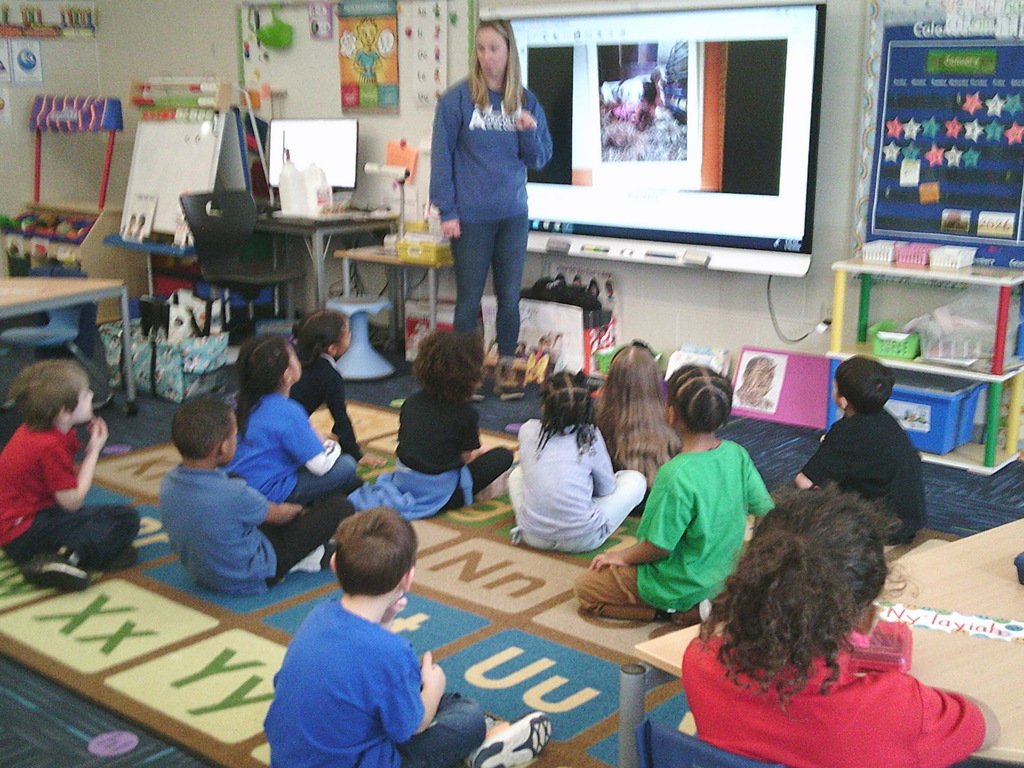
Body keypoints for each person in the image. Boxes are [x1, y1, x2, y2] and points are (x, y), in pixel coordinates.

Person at [683, 485, 999, 768]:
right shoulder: (896, 710)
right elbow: (987, 725)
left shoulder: (699, 659)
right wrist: (926, 700)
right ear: (865, 619)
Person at [264, 506, 552, 768]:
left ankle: (480, 738)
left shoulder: (318, 615)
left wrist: (386, 619)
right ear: (408, 578)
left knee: (407, 688)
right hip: (361, 761)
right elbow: (412, 727)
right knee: (468, 716)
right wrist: (435, 687)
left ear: (335, 563)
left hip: (290, 757)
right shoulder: (391, 650)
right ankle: (481, 743)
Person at [574, 365, 773, 624]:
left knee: (586, 588)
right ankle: (710, 605)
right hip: (726, 577)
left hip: (676, 585)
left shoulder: (674, 474)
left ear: (670, 414)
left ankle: (675, 614)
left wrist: (619, 556)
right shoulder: (737, 454)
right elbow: (766, 511)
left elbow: (658, 547)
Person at [430, 19, 553, 399]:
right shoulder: (456, 100)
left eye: (494, 49)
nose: (486, 57)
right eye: (480, 49)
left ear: (509, 52)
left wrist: (528, 130)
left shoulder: (526, 101)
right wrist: (447, 212)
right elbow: (441, 159)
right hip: (470, 217)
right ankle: (465, 376)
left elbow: (540, 159)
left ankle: (505, 371)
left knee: (509, 298)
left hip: (512, 215)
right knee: (468, 300)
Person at [160, 398, 355, 595]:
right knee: (340, 507)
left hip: (202, 572)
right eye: (235, 436)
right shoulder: (232, 492)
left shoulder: (168, 482)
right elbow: (281, 515)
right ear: (221, 448)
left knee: (249, 505)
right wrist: (304, 512)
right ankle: (308, 558)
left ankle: (310, 553)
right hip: (255, 573)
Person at [0, 360, 139, 591]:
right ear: (64, 412)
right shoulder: (50, 446)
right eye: (85, 395)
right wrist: (93, 451)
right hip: (25, 534)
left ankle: (73, 555)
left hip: (21, 525)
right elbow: (72, 502)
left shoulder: (33, 430)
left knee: (111, 522)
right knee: (126, 518)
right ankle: (62, 557)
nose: (91, 395)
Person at [348, 330, 514, 519]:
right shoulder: (465, 413)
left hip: (404, 480)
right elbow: (466, 457)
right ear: (471, 374)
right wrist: (479, 452)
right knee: (503, 456)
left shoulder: (411, 402)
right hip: (441, 493)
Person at [509, 371, 646, 552]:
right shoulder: (590, 436)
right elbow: (606, 489)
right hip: (583, 539)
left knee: (517, 474)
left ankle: (541, 517)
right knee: (635, 480)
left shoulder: (527, 430)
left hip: (533, 536)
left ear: (544, 406)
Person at [795, 355, 925, 545]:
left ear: (844, 401)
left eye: (835, 386)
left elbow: (804, 482)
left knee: (795, 502)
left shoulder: (847, 432)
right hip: (909, 518)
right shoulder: (884, 418)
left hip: (880, 526)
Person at [227, 335, 358, 506]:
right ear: (287, 375)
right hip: (267, 494)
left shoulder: (237, 402)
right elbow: (320, 466)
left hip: (232, 487)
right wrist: (330, 445)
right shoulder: (288, 410)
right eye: (294, 356)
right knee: (346, 466)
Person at [290, 309, 387, 470]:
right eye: (348, 332)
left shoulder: (291, 354)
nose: (350, 334)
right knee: (345, 469)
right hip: (287, 432)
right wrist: (357, 455)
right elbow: (340, 416)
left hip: (259, 420)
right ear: (332, 349)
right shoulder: (329, 375)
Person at [594, 342, 681, 510]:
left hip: (616, 507)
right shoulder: (671, 423)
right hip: (656, 505)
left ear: (611, 382)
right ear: (654, 384)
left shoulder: (598, 422)